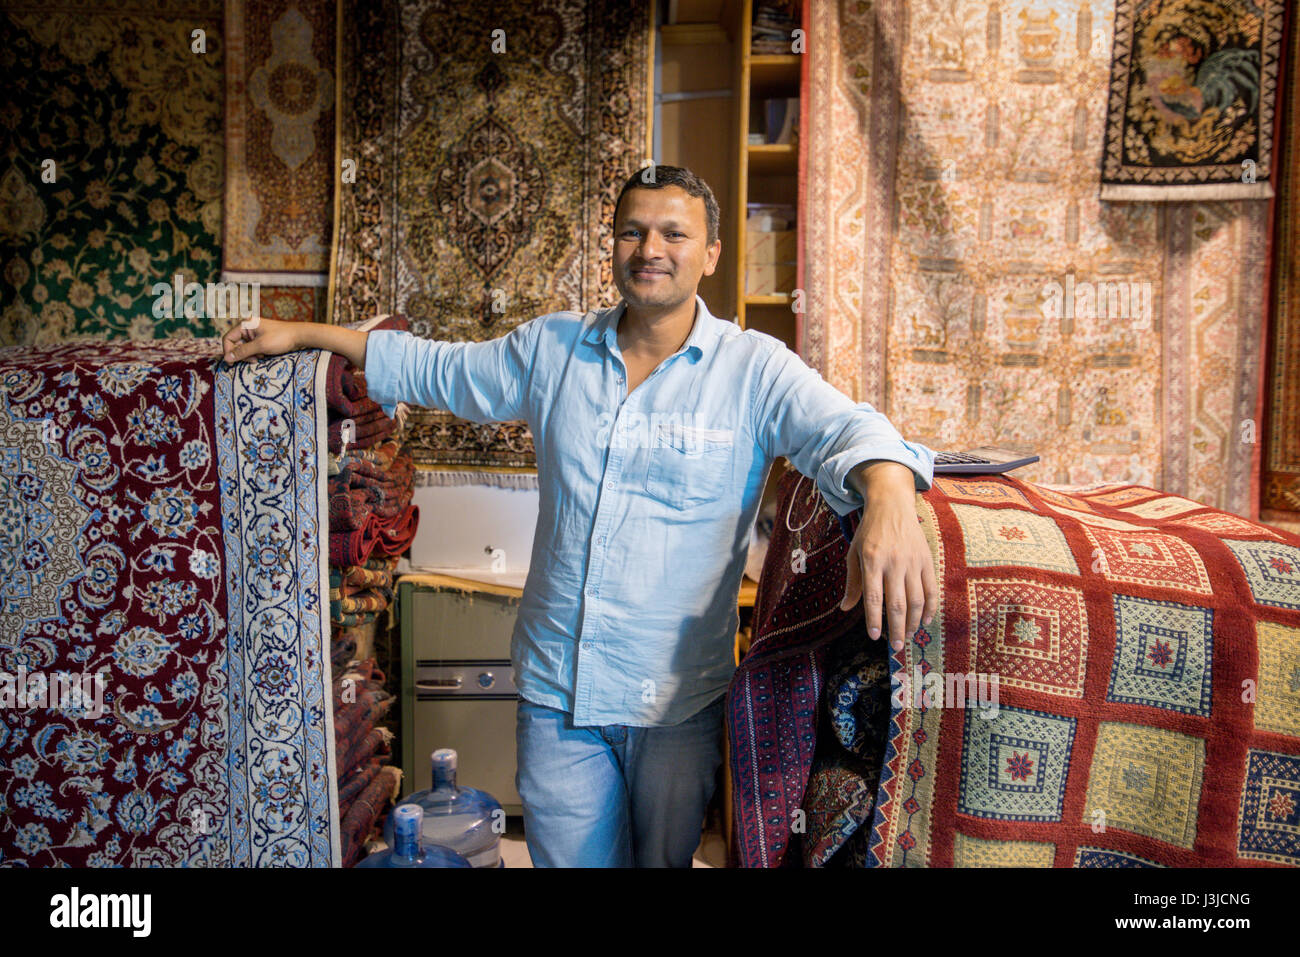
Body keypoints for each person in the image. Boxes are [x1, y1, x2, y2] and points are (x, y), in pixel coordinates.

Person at [222, 164, 938, 867]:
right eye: (632, 231)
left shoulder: (754, 369)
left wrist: (888, 497)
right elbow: (438, 368)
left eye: (672, 233)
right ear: (614, 247)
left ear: (710, 254)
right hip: (557, 698)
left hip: (677, 703)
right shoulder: (552, 348)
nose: (650, 248)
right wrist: (306, 333)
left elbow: (851, 429)